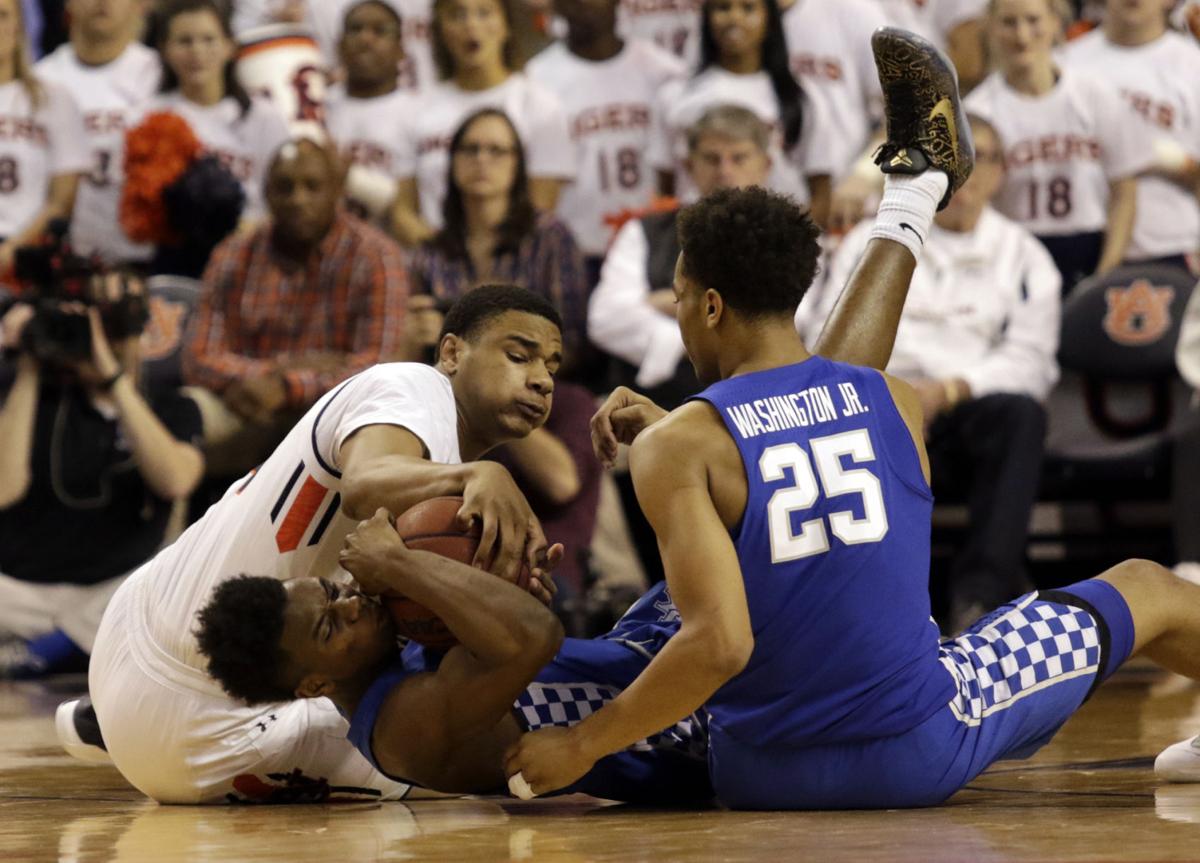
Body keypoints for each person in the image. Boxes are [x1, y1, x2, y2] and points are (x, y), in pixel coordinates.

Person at [504, 27, 1200, 811]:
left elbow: (727, 620)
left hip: (758, 776)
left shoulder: (682, 446)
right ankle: (916, 190)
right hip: (919, 747)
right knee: (1147, 587)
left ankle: (917, 186)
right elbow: (814, 412)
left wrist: (580, 742)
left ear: (708, 305)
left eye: (677, 296)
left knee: (617, 647)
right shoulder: (894, 400)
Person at [68, 285, 566, 803]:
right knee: (468, 751)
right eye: (518, 355)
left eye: (553, 367)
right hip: (207, 726)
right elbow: (364, 484)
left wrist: (507, 585)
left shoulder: (435, 463)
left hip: (143, 619)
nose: (541, 380)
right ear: (450, 352)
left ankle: (106, 718)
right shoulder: (413, 386)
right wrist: (477, 473)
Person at [804, 113, 1061, 630]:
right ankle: (851, 612)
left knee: (1021, 415)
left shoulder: (1025, 255)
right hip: (878, 410)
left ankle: (980, 599)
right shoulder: (871, 243)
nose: (963, 175)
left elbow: (1031, 362)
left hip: (967, 418)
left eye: (978, 159)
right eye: (951, 162)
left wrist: (947, 391)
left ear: (1000, 172)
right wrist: (893, 397)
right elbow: (823, 338)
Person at [0, 274, 203, 677]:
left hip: (113, 591)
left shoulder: (172, 405)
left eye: (113, 328)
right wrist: (29, 368)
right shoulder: (26, 393)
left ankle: (49, 652)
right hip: (19, 590)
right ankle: (66, 651)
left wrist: (114, 381)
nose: (99, 341)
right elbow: (4, 489)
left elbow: (176, 480)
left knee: (179, 585)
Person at [182, 138, 410, 476]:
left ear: (337, 191)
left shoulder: (377, 256)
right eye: (284, 187)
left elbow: (377, 368)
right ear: (267, 194)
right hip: (245, 400)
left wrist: (289, 387)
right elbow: (198, 358)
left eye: (312, 186)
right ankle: (173, 526)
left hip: (336, 410)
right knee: (186, 408)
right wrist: (279, 375)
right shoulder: (234, 252)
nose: (297, 199)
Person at [589, 104, 772, 410]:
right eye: (712, 159)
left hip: (762, 405)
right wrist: (722, 335)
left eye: (738, 158)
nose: (725, 171)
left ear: (766, 164)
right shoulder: (646, 230)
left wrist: (675, 309)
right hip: (657, 407)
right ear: (688, 166)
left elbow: (799, 320)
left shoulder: (787, 233)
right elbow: (606, 318)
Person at [964, 0, 1147, 291]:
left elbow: (1124, 191)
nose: (1022, 35)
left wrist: (1106, 272)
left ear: (1055, 21)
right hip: (1016, 251)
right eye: (1009, 23)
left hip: (1088, 245)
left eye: (1033, 20)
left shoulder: (1093, 94)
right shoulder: (978, 112)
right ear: (990, 28)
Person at [406, 109, 588, 375]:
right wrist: (420, 336)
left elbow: (575, 343)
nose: (481, 159)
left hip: (540, 387)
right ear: (452, 162)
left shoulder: (551, 237)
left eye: (496, 150)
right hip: (452, 390)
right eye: (470, 149)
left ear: (518, 164)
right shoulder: (431, 250)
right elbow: (414, 357)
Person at [390, 0, 574, 246]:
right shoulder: (414, 110)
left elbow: (540, 205)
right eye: (457, 15)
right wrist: (445, 260)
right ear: (440, 29)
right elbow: (403, 211)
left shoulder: (539, 105)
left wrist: (486, 258)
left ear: (506, 25)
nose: (471, 25)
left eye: (484, 13)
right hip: (437, 261)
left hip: (515, 263)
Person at [525, 0, 685, 274]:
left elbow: (673, 168)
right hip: (577, 249)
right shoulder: (537, 79)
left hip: (655, 244)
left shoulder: (664, 71)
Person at [648, 0, 836, 224]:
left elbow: (821, 193)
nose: (734, 18)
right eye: (723, 8)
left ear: (770, 18)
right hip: (697, 238)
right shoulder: (676, 96)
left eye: (748, 8)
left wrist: (789, 244)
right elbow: (665, 192)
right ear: (706, 17)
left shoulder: (801, 97)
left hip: (776, 237)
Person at [1063, 0, 1200, 275]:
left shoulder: (1192, 65)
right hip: (1085, 238)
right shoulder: (1068, 62)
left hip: (1170, 244)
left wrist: (1161, 159)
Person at [35, 0, 162, 265]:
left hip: (146, 253)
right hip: (60, 254)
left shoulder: (160, 74)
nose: (103, 2)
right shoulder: (42, 79)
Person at [147, 0, 291, 223]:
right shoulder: (150, 116)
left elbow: (282, 196)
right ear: (164, 50)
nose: (197, 51)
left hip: (250, 247)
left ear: (230, 47)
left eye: (209, 39)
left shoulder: (264, 115)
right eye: (185, 41)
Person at [0, 0, 88, 272]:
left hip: (28, 257)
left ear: (19, 26)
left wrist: (11, 250)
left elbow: (62, 201)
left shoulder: (53, 99)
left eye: (2, 15)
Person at [323, 0, 420, 223]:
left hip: (396, 250)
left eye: (380, 31)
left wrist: (351, 178)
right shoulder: (318, 109)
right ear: (339, 45)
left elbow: (415, 205)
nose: (366, 39)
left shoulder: (423, 114)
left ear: (401, 49)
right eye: (355, 29)